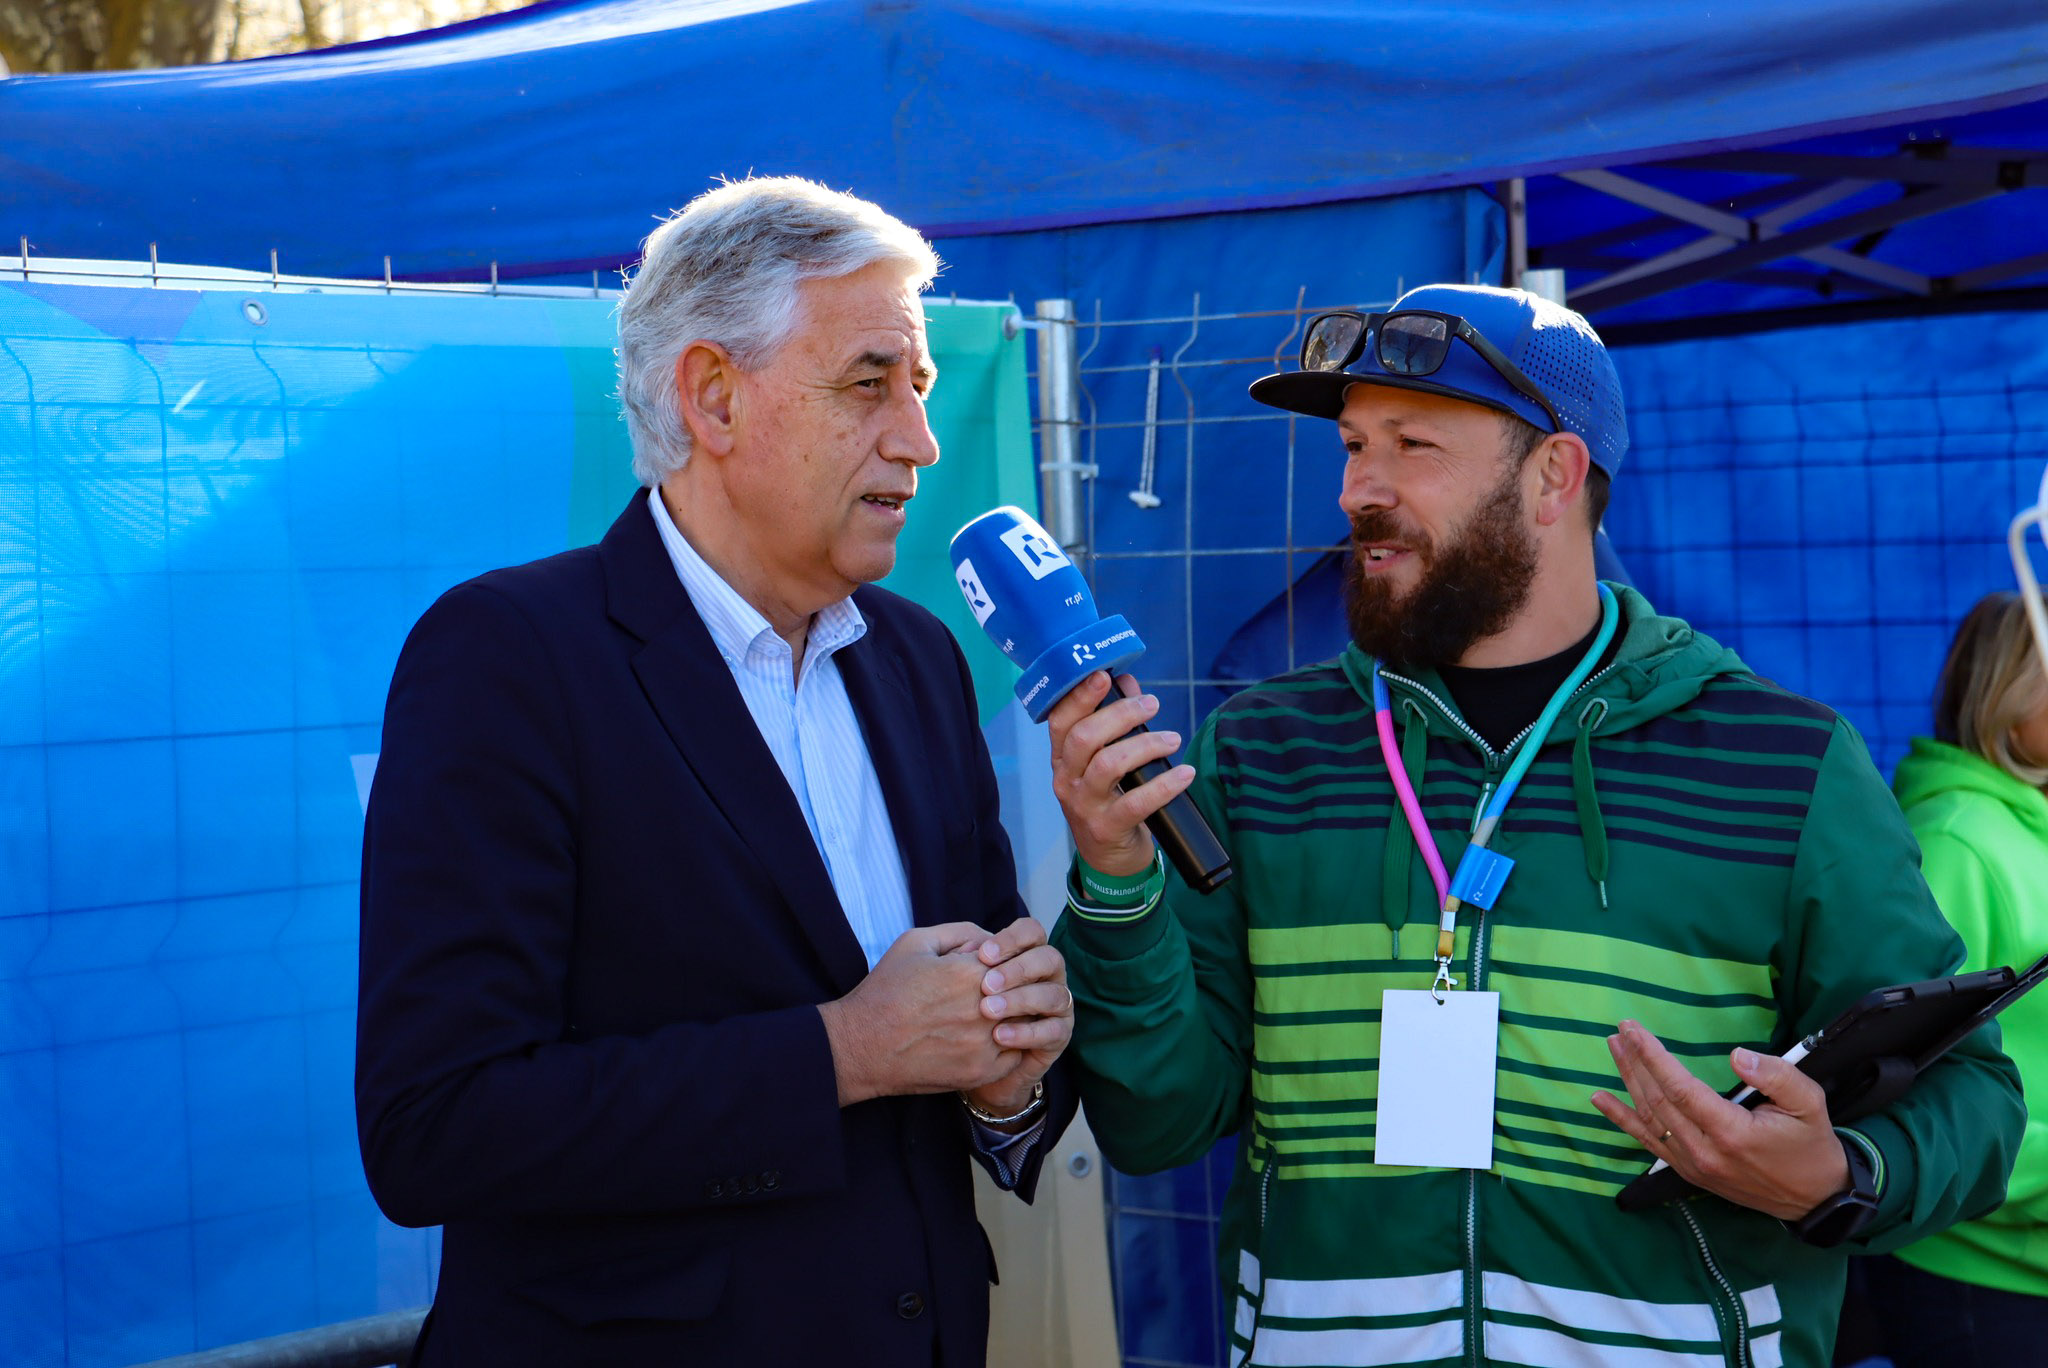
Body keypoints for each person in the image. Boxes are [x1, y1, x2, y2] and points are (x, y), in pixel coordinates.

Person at [1046, 283, 2022, 1367]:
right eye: (1353, 446)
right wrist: (1116, 879)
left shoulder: (1781, 763)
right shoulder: (1261, 750)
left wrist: (1835, 1175)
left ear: (1554, 474)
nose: (1357, 490)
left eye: (1412, 444)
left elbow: (1970, 1095)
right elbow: (1155, 1122)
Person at [356, 176, 1077, 1368]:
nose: (919, 440)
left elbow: (966, 1054)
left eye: (919, 385)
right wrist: (845, 1051)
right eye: (869, 383)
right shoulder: (510, 657)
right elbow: (436, 1126)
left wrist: (1007, 1075)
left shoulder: (918, 659)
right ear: (712, 397)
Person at [1862, 592, 2048, 1364]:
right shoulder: (1960, 846)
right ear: (2008, 698)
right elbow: (1918, 1081)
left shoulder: (2027, 827)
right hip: (1983, 1281)